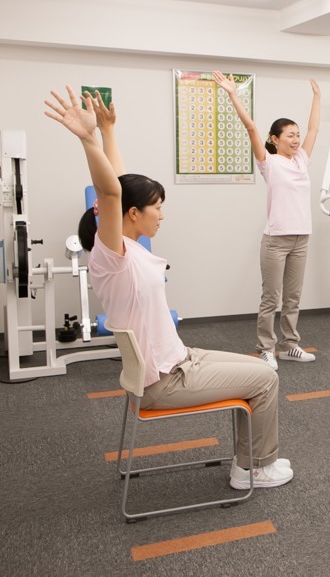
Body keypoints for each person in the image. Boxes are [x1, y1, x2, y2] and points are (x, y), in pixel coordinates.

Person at [45, 86, 293, 490]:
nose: (162, 214)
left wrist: (108, 132)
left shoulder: (127, 244)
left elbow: (118, 186)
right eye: (157, 207)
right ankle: (256, 467)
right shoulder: (111, 256)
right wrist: (87, 139)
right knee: (266, 380)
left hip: (178, 359)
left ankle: (248, 461)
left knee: (262, 369)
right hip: (162, 382)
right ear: (132, 214)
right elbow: (110, 191)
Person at [213, 71, 320, 370]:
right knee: (271, 298)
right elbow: (250, 127)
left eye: (297, 135)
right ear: (275, 139)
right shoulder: (268, 162)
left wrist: (317, 97)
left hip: (302, 237)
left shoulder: (301, 160)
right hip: (276, 240)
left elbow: (314, 129)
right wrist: (234, 94)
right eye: (290, 135)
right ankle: (266, 348)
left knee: (293, 298)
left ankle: (290, 345)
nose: (297, 139)